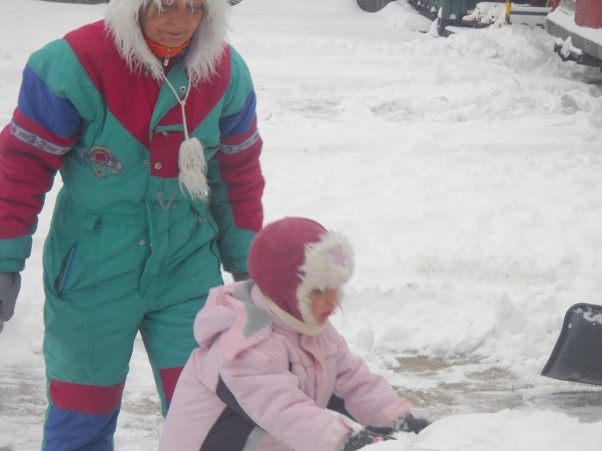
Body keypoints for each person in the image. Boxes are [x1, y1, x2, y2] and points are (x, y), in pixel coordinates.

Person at [0, 0, 264, 449]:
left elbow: (236, 174)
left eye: (195, 8)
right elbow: (20, 169)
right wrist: (4, 261)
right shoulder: (74, 63)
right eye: (164, 6)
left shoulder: (224, 72)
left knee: (209, 409)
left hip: (188, 261)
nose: (180, 21)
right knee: (83, 411)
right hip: (93, 266)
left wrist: (249, 266)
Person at [159, 217, 429, 450]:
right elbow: (287, 413)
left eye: (336, 287)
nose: (333, 300)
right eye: (319, 291)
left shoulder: (310, 327)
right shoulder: (242, 346)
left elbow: (352, 380)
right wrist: (350, 441)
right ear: (286, 291)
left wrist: (399, 422)